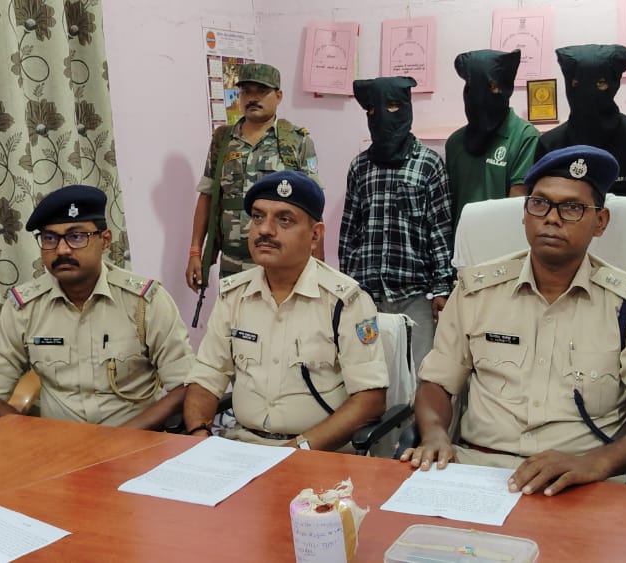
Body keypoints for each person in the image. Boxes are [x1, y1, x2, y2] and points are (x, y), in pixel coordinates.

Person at [402, 146, 626, 496]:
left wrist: (594, 463)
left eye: (572, 208)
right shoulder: (476, 291)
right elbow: (437, 382)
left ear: (600, 222)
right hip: (478, 473)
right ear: (525, 214)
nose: (551, 218)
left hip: (580, 483)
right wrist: (434, 434)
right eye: (539, 204)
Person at [184, 171, 388, 451]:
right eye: (258, 217)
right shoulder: (233, 295)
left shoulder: (345, 300)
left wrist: (297, 449)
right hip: (243, 447)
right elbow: (206, 378)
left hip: (318, 453)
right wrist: (198, 435)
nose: (265, 230)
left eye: (284, 220)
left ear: (315, 235)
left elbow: (370, 399)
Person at [0, 185, 194, 429]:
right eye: (49, 238)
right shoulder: (24, 307)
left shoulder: (144, 301)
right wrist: (40, 440)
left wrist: (124, 438)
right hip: (59, 444)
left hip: (136, 440)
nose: (62, 250)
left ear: (104, 241)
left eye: (76, 236)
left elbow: (185, 386)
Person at [340, 76, 455, 367]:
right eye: (373, 110)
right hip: (368, 296)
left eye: (392, 106)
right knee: (372, 373)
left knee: (421, 375)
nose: (382, 116)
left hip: (416, 295)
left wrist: (442, 288)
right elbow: (349, 232)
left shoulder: (428, 164)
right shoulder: (360, 167)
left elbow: (440, 230)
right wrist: (346, 288)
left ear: (406, 108)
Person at [186, 62, 323, 294]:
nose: (252, 98)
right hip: (232, 264)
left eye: (261, 91)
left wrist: (317, 264)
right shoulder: (223, 140)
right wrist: (195, 252)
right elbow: (207, 197)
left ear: (278, 96)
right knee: (233, 316)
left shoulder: (296, 141)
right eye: (246, 91)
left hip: (281, 262)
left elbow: (313, 207)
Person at [536, 44, 626, 199]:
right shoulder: (549, 144)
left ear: (614, 84)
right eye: (576, 83)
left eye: (600, 83)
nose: (587, 93)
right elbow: (537, 204)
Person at [445, 49, 540, 224]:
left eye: (493, 86)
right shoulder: (455, 143)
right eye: (474, 87)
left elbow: (516, 207)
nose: (481, 95)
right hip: (461, 239)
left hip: (503, 239)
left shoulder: (524, 137)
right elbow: (447, 206)